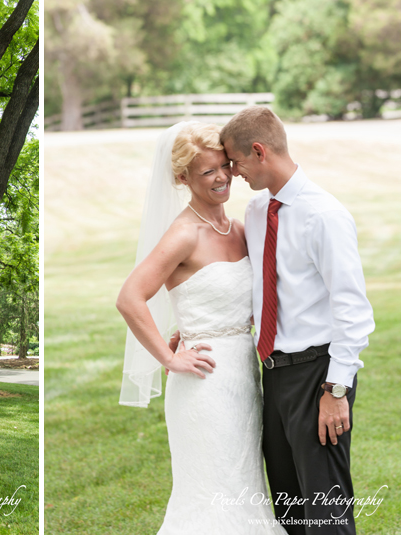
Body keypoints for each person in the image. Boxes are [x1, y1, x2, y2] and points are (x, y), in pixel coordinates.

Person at [117, 122, 286, 534]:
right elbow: (129, 298)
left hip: (244, 376)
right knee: (212, 490)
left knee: (245, 484)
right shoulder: (183, 235)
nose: (222, 177)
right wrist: (170, 356)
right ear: (182, 178)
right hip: (203, 383)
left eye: (225, 165)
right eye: (208, 171)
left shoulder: (242, 230)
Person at [220, 106, 374, 534]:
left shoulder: (324, 215)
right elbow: (261, 288)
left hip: (318, 376)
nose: (233, 173)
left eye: (236, 162)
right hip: (273, 376)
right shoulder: (255, 212)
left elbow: (353, 310)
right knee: (289, 510)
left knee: (327, 512)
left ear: (258, 151)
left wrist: (336, 390)